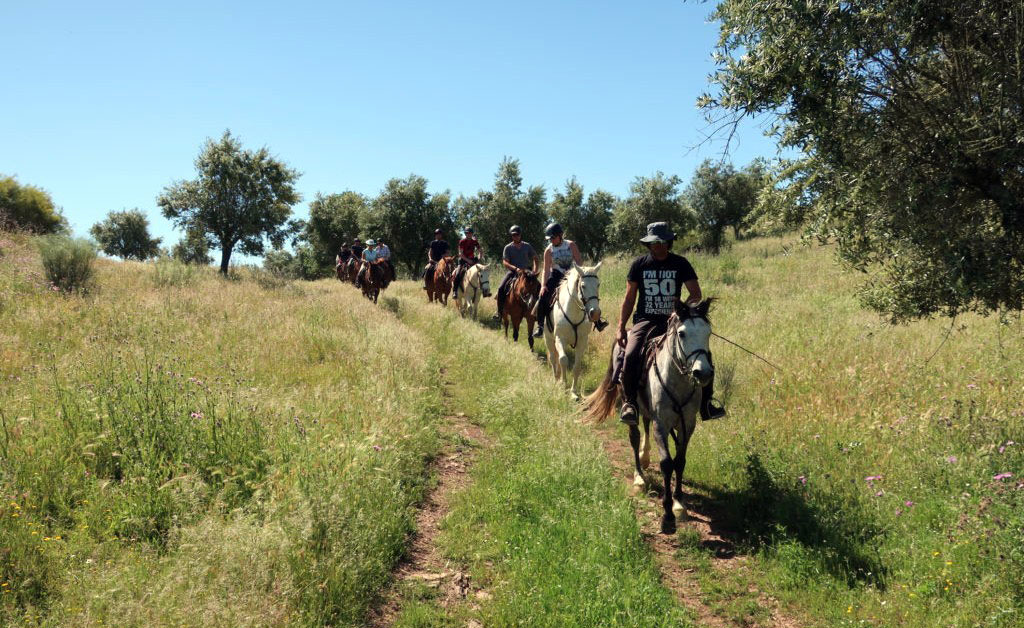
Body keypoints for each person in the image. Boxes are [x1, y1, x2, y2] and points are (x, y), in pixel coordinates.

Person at [612, 222, 726, 425]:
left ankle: (706, 404)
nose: (659, 246)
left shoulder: (681, 263)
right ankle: (630, 403)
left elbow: (696, 294)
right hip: (645, 320)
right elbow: (629, 298)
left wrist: (679, 311)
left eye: (663, 241)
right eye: (654, 242)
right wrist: (621, 326)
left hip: (675, 322)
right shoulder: (639, 265)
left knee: (704, 356)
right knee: (630, 354)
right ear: (648, 244)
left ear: (669, 242)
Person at [532, 223, 609, 338]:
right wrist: (543, 285)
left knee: (588, 293)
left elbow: (579, 261)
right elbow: (546, 270)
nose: (551, 240)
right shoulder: (548, 250)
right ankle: (540, 326)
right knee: (543, 296)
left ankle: (597, 322)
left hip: (572, 274)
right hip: (556, 275)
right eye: (549, 239)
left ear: (560, 235)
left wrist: (575, 273)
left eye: (553, 237)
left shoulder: (571, 245)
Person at [494, 225, 538, 320]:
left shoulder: (527, 246)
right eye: (513, 235)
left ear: (520, 235)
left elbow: (535, 258)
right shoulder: (508, 247)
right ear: (511, 236)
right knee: (501, 288)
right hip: (513, 272)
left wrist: (534, 271)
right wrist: (515, 268)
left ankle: (539, 314)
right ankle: (499, 312)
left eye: (517, 235)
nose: (515, 237)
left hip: (527, 272)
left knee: (539, 288)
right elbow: (505, 262)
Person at [452, 226, 483, 299]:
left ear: (472, 234)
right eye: (467, 233)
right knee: (457, 273)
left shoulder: (474, 241)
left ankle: (482, 290)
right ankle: (455, 291)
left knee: (482, 272)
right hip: (463, 260)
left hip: (472, 260)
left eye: (470, 233)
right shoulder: (462, 241)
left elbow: (480, 251)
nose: (469, 234)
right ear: (465, 234)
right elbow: (460, 254)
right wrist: (468, 260)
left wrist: (479, 257)